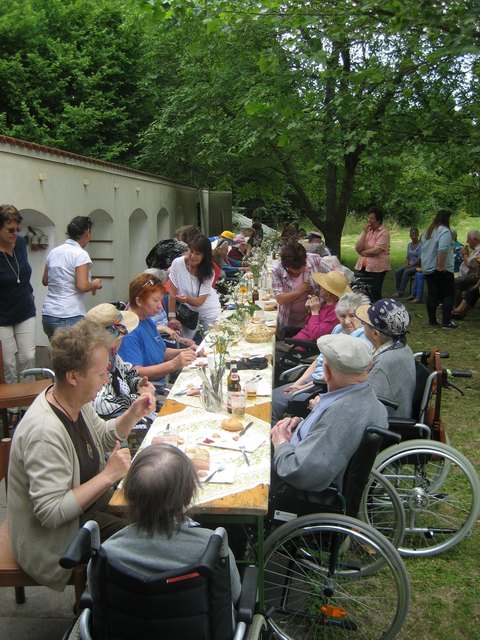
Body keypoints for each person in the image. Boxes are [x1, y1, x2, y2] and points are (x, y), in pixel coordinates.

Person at [7, 320, 156, 591]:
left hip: (84, 510)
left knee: (153, 511)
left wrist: (133, 413)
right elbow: (51, 513)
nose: (106, 379)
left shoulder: (75, 400)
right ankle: (107, 612)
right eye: (101, 374)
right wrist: (109, 474)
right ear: (74, 376)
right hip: (53, 540)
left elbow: (104, 434)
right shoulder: (44, 432)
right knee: (146, 540)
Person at [101, 444, 241, 606]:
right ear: (188, 497)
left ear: (129, 495)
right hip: (199, 630)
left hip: (125, 630)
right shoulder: (213, 548)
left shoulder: (108, 551)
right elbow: (235, 595)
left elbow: (97, 595)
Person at [270, 333, 388, 493]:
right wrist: (301, 422)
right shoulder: (366, 397)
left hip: (289, 484)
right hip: (301, 453)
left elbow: (298, 472)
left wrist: (281, 443)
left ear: (326, 371)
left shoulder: (343, 413)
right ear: (368, 368)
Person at [272, 292, 371, 424]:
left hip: (324, 386)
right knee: (269, 396)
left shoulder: (362, 340)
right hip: (312, 380)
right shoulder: (338, 329)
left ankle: (274, 440)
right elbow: (319, 359)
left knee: (270, 405)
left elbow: (337, 373)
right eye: (342, 316)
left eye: (352, 316)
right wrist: (298, 382)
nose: (346, 321)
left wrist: (304, 387)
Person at [118, 274, 198, 384]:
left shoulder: (146, 319)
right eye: (155, 301)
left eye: (160, 300)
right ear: (139, 301)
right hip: (147, 392)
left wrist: (186, 352)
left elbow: (162, 351)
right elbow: (135, 373)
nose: (160, 306)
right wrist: (174, 364)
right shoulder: (128, 331)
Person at [85, 303, 157, 419]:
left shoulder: (113, 355)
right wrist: (138, 397)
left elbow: (126, 372)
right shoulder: (93, 363)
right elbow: (101, 404)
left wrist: (138, 384)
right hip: (112, 425)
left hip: (128, 415)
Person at [0, 204, 36, 428]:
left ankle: (28, 407)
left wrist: (30, 295)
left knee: (28, 357)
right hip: (1, 315)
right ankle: (11, 408)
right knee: (8, 363)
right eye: (10, 230)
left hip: (24, 309)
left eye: (17, 229)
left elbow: (25, 273)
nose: (15, 234)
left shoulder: (20, 244)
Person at [41, 216, 102, 339]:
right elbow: (82, 285)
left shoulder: (54, 252)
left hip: (49, 315)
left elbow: (45, 281)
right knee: (74, 356)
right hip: (69, 315)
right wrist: (95, 284)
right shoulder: (80, 254)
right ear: (87, 232)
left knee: (58, 355)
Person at [355, 298, 415, 418]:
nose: (363, 327)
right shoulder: (402, 346)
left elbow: (365, 407)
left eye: (365, 324)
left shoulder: (383, 364)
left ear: (376, 333)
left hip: (384, 426)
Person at [271, 241, 332, 338]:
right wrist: (300, 291)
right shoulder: (277, 270)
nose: (300, 271)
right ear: (286, 266)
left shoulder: (314, 259)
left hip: (313, 319)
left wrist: (322, 289)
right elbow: (280, 299)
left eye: (302, 268)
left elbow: (337, 275)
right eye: (294, 270)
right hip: (289, 320)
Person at [167, 234, 222, 339]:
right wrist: (172, 317)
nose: (192, 256)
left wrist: (186, 299)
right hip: (188, 311)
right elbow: (172, 293)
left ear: (205, 256)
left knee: (210, 341)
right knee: (184, 342)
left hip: (209, 310)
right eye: (191, 251)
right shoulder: (177, 263)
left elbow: (200, 301)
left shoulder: (209, 272)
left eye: (198, 254)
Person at [287, 271, 351, 343]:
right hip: (297, 340)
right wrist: (310, 311)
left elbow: (316, 335)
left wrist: (314, 312)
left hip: (303, 347)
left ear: (328, 292)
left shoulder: (336, 312)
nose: (319, 286)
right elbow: (309, 326)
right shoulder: (324, 303)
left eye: (322, 286)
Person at [420, 209, 456, 329]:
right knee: (448, 294)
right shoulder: (444, 231)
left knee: (432, 294)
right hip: (441, 268)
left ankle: (432, 320)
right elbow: (442, 249)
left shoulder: (428, 232)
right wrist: (441, 266)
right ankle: (446, 322)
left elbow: (424, 249)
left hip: (428, 267)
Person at [354, 206, 391, 301]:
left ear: (378, 220)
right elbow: (358, 247)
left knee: (375, 291)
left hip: (377, 268)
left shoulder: (384, 233)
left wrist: (362, 252)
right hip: (363, 265)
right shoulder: (367, 231)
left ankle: (378, 311)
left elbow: (376, 251)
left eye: (372, 218)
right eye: (368, 217)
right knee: (361, 290)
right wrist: (364, 232)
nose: (369, 220)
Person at [453, 229, 480, 307]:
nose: (467, 242)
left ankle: (458, 307)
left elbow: (472, 265)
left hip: (475, 276)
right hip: (469, 275)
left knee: (454, 283)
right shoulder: (475, 248)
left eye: (469, 239)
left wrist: (465, 254)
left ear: (475, 239)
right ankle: (457, 306)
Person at [394, 227, 421, 297]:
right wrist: (406, 264)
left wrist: (410, 266)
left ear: (418, 235)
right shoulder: (409, 245)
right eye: (412, 235)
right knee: (398, 271)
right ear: (410, 236)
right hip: (409, 264)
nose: (414, 236)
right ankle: (398, 289)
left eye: (415, 234)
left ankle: (400, 292)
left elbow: (419, 259)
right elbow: (408, 257)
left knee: (406, 272)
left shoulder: (421, 245)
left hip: (418, 265)